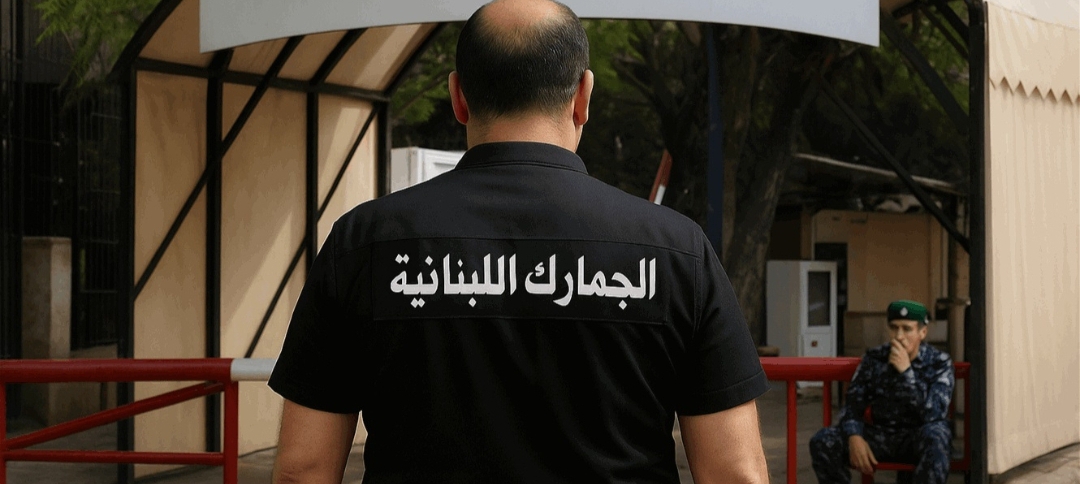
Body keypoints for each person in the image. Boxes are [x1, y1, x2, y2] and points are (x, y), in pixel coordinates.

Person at [268, 0, 769, 482]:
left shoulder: (363, 244)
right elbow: (735, 473)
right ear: (583, 97)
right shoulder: (676, 251)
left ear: (458, 96)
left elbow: (303, 470)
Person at [809, 300, 955, 484]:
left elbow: (934, 414)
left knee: (938, 437)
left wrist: (906, 373)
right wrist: (855, 436)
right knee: (823, 440)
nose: (899, 336)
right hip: (881, 435)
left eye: (907, 329)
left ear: (922, 332)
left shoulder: (938, 362)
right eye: (894, 328)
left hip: (916, 437)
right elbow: (852, 406)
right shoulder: (875, 358)